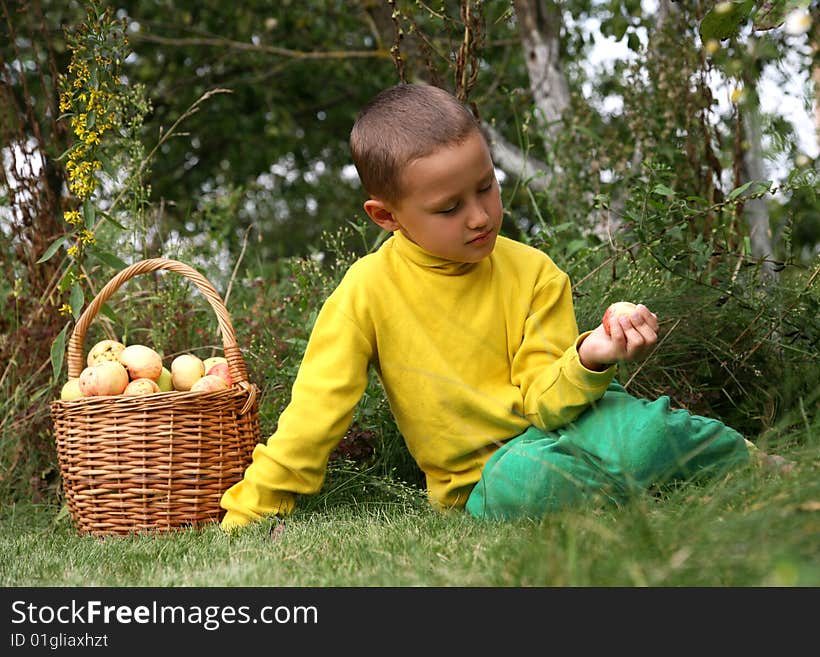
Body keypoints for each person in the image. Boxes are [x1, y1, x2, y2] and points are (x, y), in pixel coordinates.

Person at [219, 83, 755, 530]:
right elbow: (315, 415)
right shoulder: (366, 291)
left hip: (574, 420)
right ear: (387, 216)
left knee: (644, 433)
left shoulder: (535, 272)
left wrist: (592, 353)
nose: (479, 216)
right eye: (449, 207)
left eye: (486, 187)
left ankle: (753, 462)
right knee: (533, 482)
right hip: (488, 471)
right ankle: (630, 483)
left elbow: (546, 403)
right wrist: (249, 508)